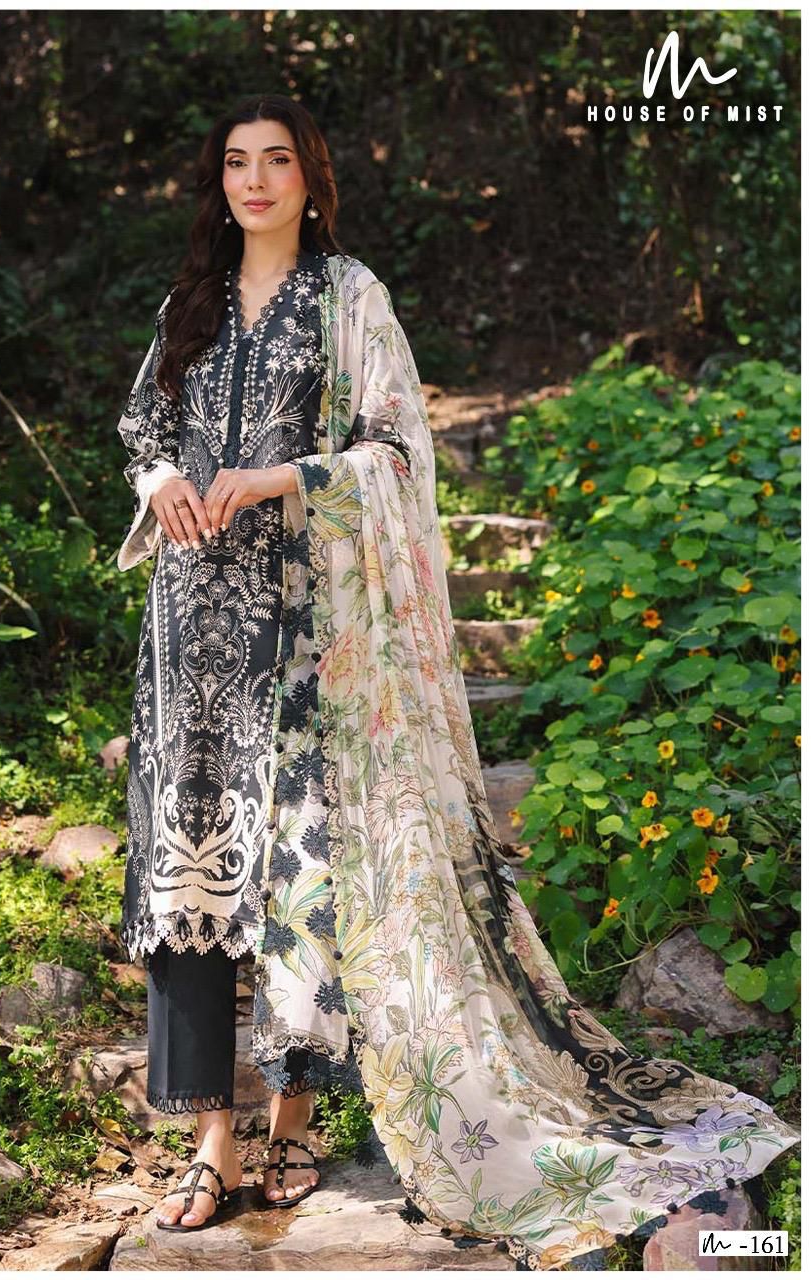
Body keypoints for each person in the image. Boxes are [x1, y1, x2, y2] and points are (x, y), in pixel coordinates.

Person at [114, 94, 799, 1264]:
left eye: (277, 160)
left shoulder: (350, 297)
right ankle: (209, 1143)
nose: (255, 179)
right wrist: (162, 479)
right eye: (235, 162)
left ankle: (290, 1126)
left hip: (307, 633)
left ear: (312, 179)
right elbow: (142, 425)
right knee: (190, 876)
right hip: (190, 633)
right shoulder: (191, 302)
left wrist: (282, 478)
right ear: (217, 182)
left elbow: (396, 450)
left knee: (298, 881)